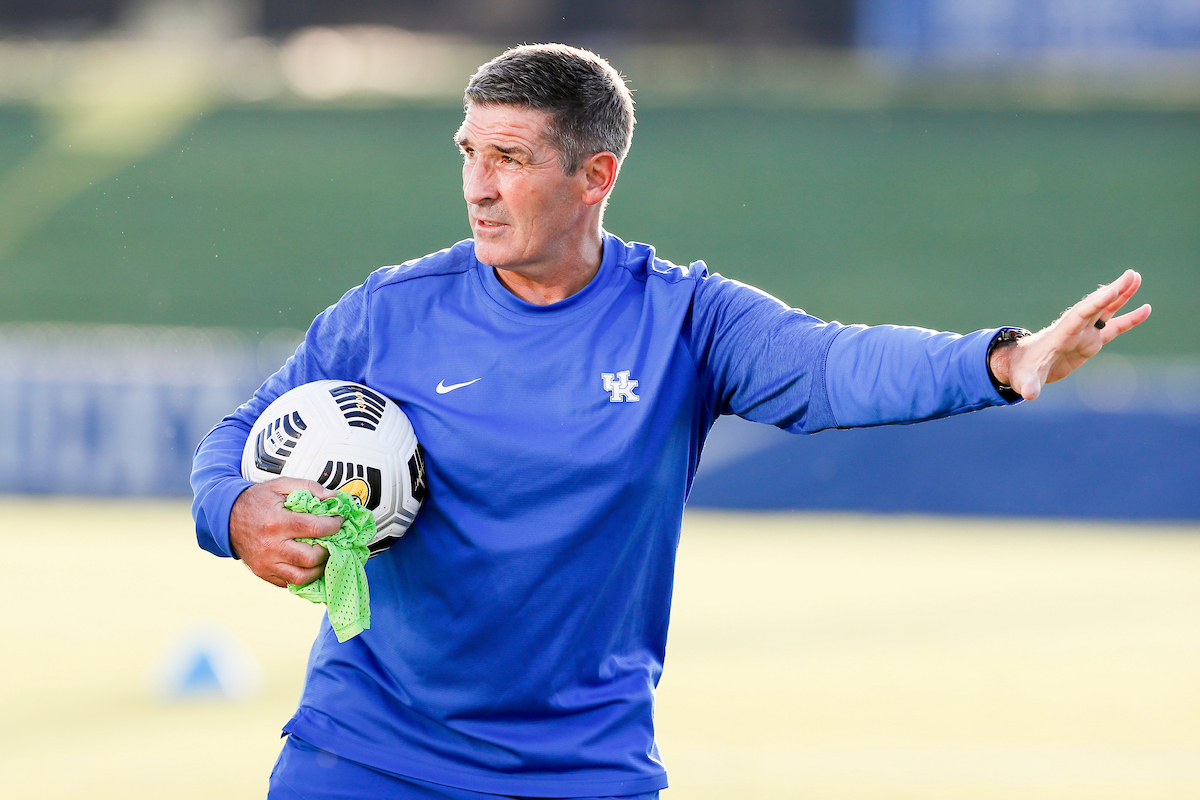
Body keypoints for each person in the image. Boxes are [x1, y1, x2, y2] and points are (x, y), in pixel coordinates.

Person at [190, 43, 1150, 800]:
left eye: (511, 159)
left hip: (581, 772)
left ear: (595, 175)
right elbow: (237, 436)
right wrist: (235, 511)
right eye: (470, 155)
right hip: (367, 756)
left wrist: (999, 359)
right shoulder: (390, 311)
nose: (478, 187)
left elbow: (829, 364)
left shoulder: (685, 319)